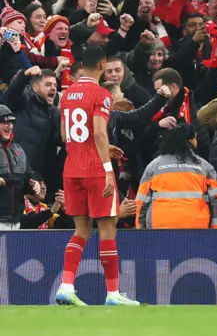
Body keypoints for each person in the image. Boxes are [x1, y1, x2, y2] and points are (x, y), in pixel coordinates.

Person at [55, 46, 139, 306]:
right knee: (107, 229)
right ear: (102, 64)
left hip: (72, 170)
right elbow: (100, 133)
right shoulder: (102, 94)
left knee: (81, 230)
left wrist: (94, 147)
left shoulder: (67, 94)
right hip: (95, 171)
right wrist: (107, 170)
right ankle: (113, 294)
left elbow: (65, 135)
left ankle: (66, 286)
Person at [136, 123, 217, 229]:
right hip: (197, 227)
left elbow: (142, 202)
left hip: (159, 227)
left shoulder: (154, 166)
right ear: (191, 140)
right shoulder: (205, 167)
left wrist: (140, 230)